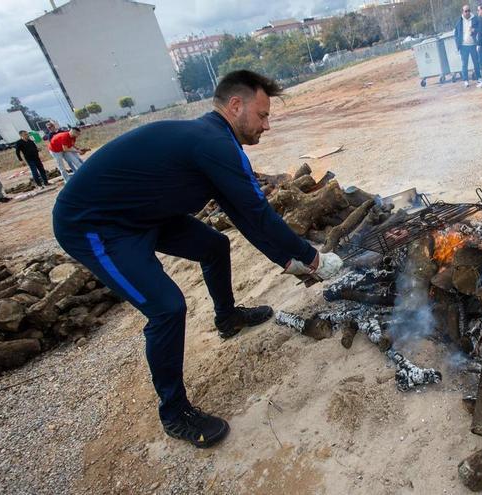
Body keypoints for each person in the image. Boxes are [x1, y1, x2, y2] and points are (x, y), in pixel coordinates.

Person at [51, 70, 343, 449]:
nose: (267, 125)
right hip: (94, 226)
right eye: (262, 115)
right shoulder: (215, 144)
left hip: (144, 215)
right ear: (235, 106)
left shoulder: (212, 140)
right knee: (167, 308)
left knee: (214, 245)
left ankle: (228, 318)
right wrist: (311, 259)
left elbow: (242, 214)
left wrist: (291, 262)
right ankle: (174, 412)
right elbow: (257, 215)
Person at [454, 4, 481, 88]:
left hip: (473, 45)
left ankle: (479, 78)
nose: (467, 12)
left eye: (469, 10)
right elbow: (456, 34)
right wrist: (458, 43)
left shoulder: (475, 19)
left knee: (476, 62)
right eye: (466, 11)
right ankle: (465, 80)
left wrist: (474, 30)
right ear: (462, 12)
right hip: (463, 46)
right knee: (464, 64)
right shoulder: (459, 21)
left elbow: (480, 29)